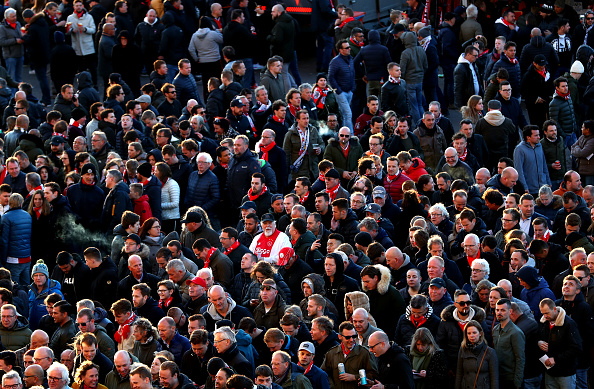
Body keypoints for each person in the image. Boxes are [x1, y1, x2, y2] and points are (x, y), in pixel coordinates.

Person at [537, 298, 582, 388]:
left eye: (547, 313)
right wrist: (539, 342)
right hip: (549, 371)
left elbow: (576, 348)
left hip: (565, 373)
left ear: (554, 309)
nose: (545, 316)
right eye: (543, 313)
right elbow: (537, 337)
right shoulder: (543, 323)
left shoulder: (569, 324)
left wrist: (556, 359)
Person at [321, 321, 377, 389]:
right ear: (340, 337)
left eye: (354, 336)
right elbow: (324, 374)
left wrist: (355, 377)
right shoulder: (331, 353)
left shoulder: (365, 353)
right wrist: (332, 386)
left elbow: (373, 376)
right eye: (347, 337)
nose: (351, 340)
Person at [455, 320, 498, 389]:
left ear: (480, 333)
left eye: (474, 333)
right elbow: (459, 373)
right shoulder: (463, 349)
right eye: (469, 333)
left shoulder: (490, 352)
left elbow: (494, 378)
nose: (471, 336)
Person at [513, 125, 551, 194]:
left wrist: (548, 182)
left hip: (543, 188)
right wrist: (524, 187)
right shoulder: (519, 149)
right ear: (528, 137)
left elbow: (544, 166)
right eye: (536, 135)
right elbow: (519, 171)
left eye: (538, 135)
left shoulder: (539, 146)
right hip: (530, 190)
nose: (539, 137)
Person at [328, 39, 356, 133]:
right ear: (341, 50)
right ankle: (350, 135)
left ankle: (342, 133)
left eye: (349, 47)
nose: (349, 49)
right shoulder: (335, 61)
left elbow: (353, 73)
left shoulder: (350, 59)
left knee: (344, 114)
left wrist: (352, 88)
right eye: (347, 48)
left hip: (349, 91)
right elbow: (331, 77)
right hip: (341, 92)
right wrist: (338, 90)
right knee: (348, 114)